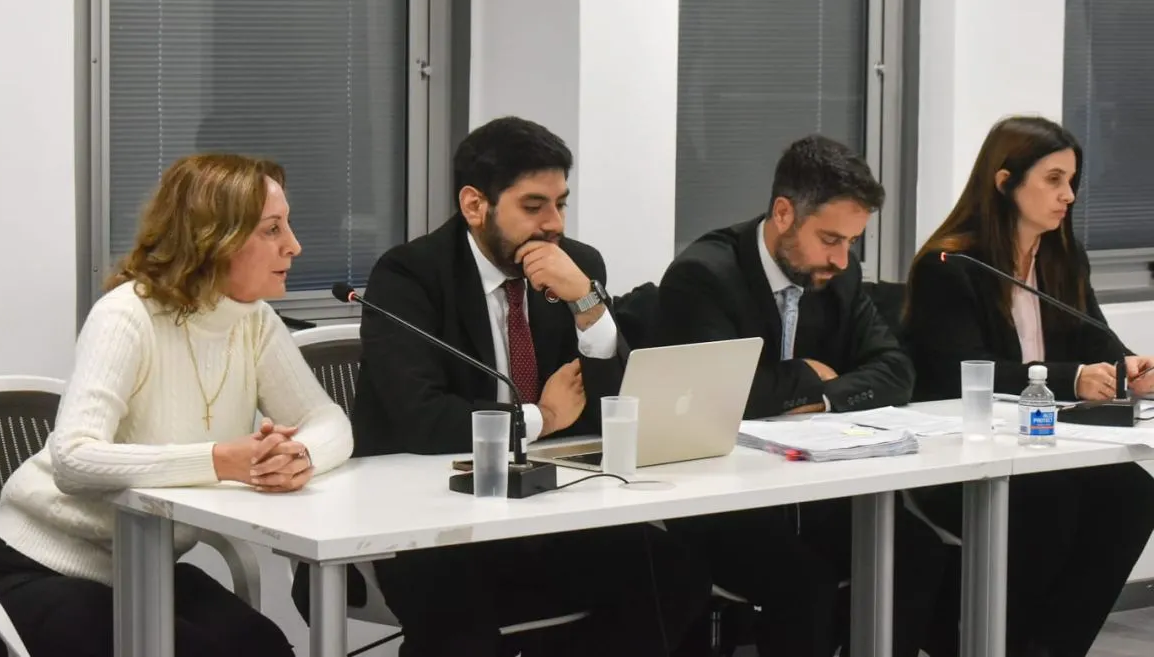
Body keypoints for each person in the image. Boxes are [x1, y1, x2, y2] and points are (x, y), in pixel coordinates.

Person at [333, 116, 712, 657]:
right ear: (475, 205)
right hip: (430, 522)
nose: (553, 224)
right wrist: (541, 419)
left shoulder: (575, 266)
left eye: (561, 204)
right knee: (463, 635)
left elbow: (608, 410)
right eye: (534, 207)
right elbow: (422, 418)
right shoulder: (409, 276)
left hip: (542, 507)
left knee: (675, 575)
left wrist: (588, 304)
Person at [0, 155, 354, 657]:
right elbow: (73, 459)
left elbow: (328, 421)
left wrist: (299, 457)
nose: (294, 245)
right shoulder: (126, 315)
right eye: (272, 229)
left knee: (265, 647)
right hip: (35, 566)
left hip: (142, 566)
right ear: (215, 238)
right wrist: (222, 460)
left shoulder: (254, 322)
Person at [658, 135, 945, 657]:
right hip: (723, 499)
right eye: (830, 239)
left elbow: (895, 371)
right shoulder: (704, 275)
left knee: (917, 553)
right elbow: (719, 397)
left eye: (851, 242)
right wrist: (807, 376)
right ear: (784, 213)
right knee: (804, 585)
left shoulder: (838, 277)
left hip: (812, 489)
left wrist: (822, 395)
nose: (841, 259)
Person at [903, 115, 1154, 657]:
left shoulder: (1063, 257)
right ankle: (998, 641)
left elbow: (1096, 338)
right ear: (1005, 181)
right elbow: (960, 371)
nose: (1068, 196)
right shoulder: (951, 263)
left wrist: (1131, 369)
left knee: (1135, 494)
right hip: (962, 454)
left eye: (1072, 181)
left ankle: (1055, 646)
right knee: (1052, 500)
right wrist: (1071, 379)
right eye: (1054, 179)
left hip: (1044, 447)